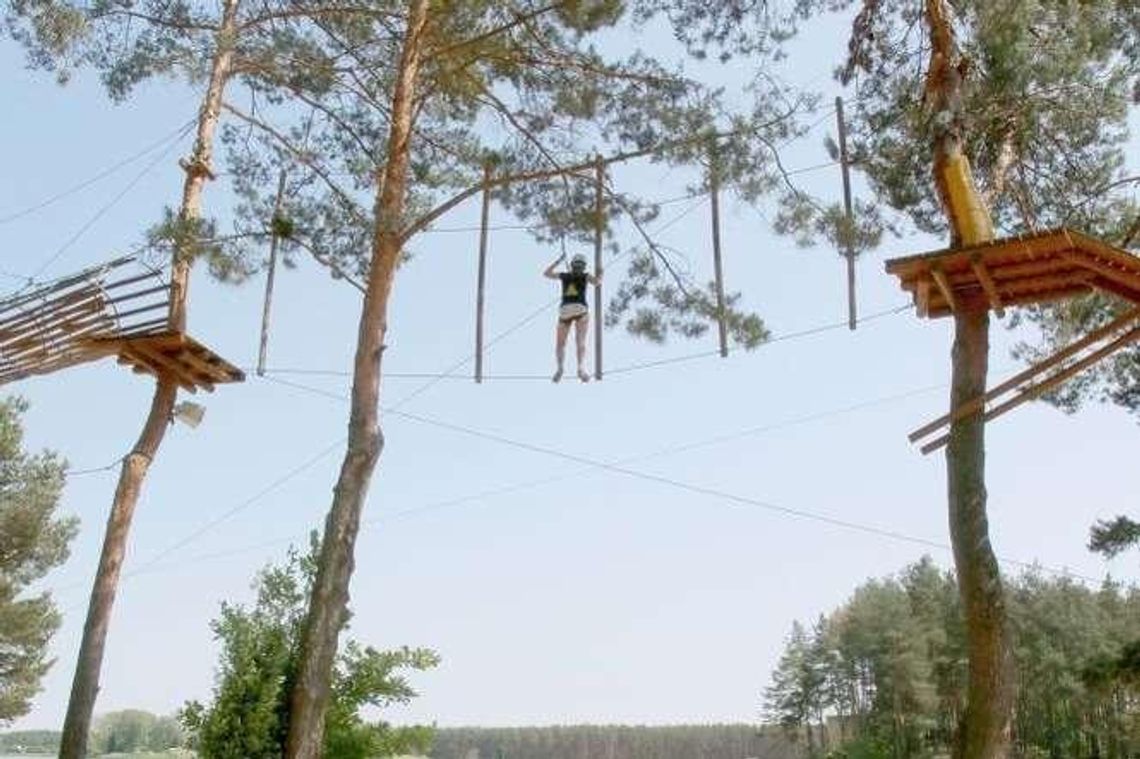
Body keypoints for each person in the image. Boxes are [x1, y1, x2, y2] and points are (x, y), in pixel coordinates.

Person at [543, 252, 601, 382]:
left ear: (572, 264)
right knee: (580, 341)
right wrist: (600, 273)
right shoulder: (585, 276)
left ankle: (560, 368)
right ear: (583, 266)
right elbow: (597, 282)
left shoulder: (565, 276)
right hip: (580, 309)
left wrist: (558, 260)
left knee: (560, 344)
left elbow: (546, 273)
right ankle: (581, 368)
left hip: (565, 310)